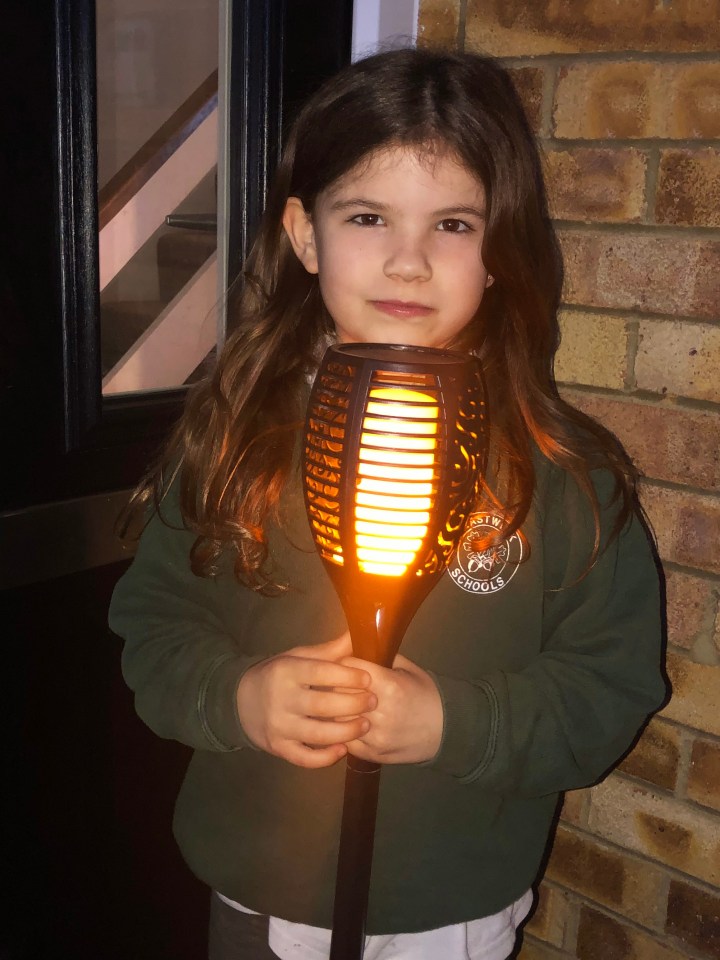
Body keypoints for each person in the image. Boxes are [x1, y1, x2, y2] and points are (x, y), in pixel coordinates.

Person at [109, 48, 666, 960]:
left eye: (453, 223)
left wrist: (453, 721)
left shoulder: (566, 475)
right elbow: (155, 626)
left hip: (449, 902)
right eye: (367, 215)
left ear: (501, 253)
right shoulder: (233, 443)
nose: (408, 262)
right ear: (304, 234)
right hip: (263, 885)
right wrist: (239, 697)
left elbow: (609, 688)